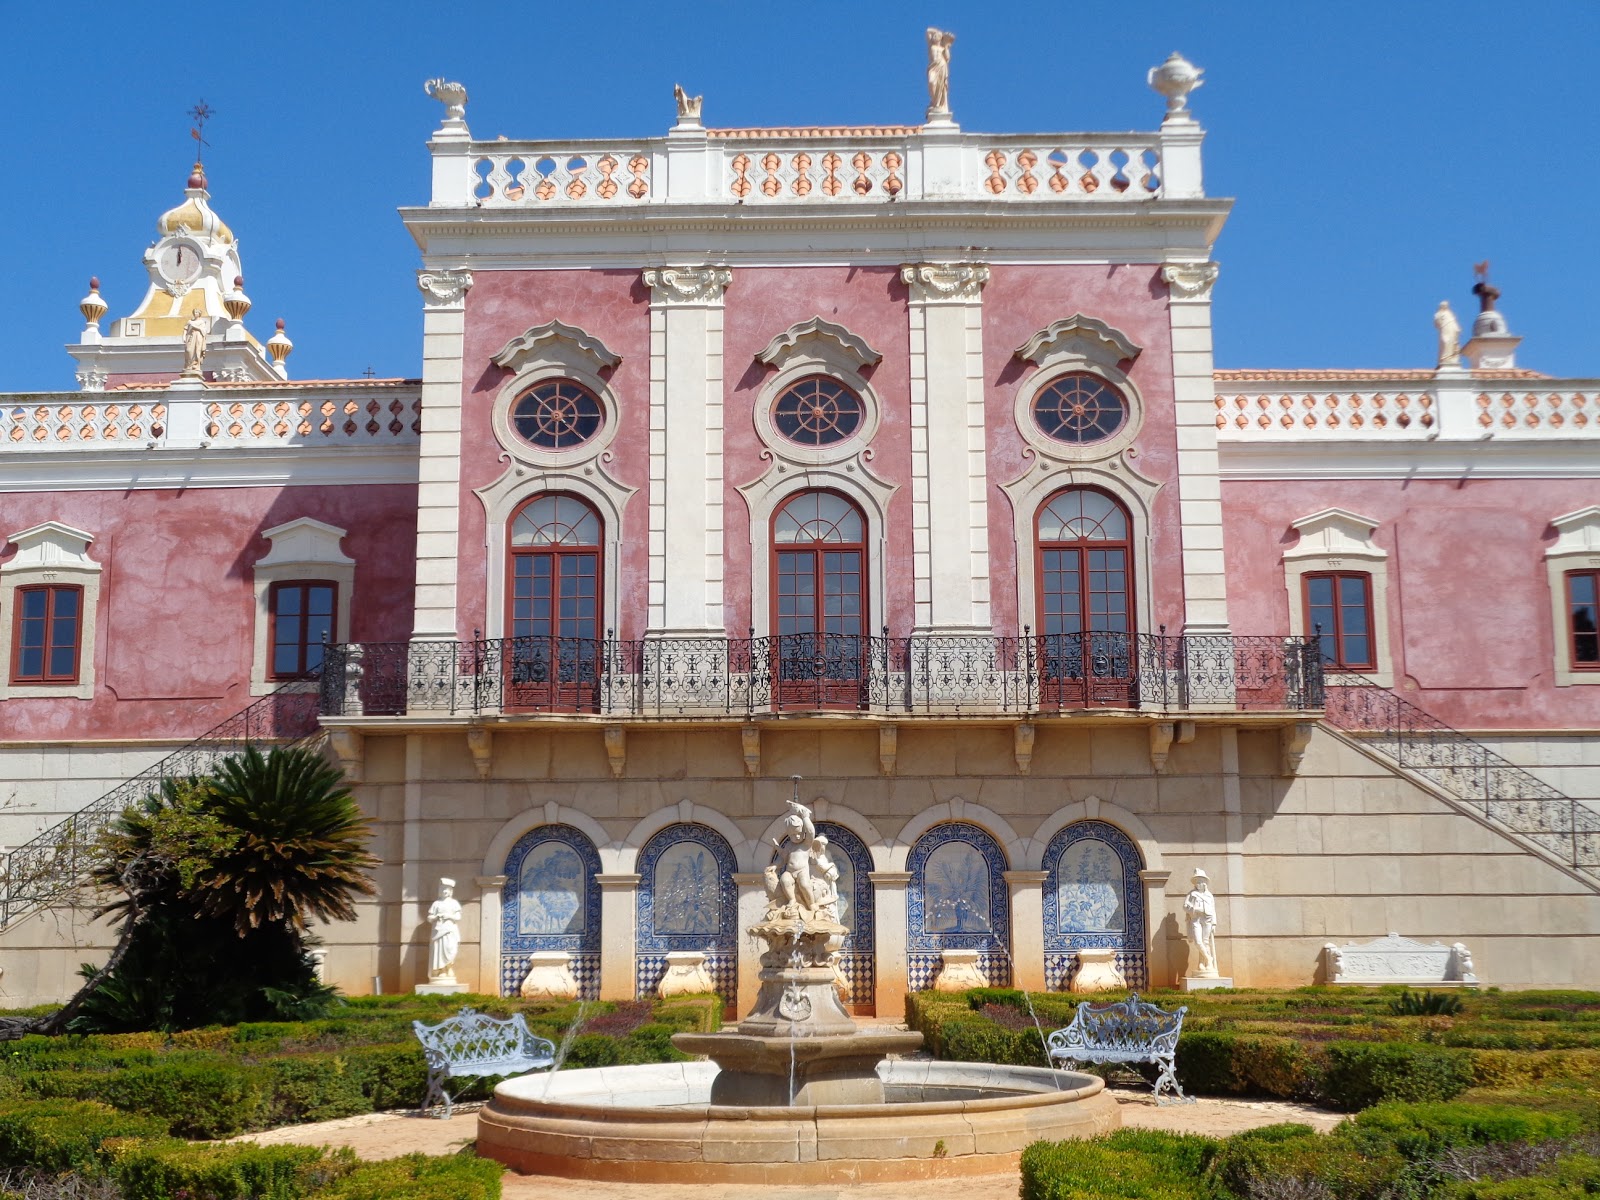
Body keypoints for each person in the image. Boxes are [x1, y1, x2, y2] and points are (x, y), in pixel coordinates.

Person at [1183, 868, 1218, 977]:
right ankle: (1209, 959)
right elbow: (1185, 906)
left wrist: (1214, 923)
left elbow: (1213, 909)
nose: (1197, 884)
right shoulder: (1192, 894)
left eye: (1199, 882)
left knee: (1205, 941)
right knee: (1198, 941)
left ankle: (1203, 964)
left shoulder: (1209, 895)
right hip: (1196, 919)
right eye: (1196, 882)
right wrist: (1194, 909)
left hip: (1207, 919)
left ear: (1204, 883)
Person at [428, 878, 463, 982]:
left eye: (446, 889)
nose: (444, 891)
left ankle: (449, 968)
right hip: (439, 931)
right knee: (439, 951)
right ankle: (442, 970)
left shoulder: (454, 903)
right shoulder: (436, 903)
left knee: (451, 949)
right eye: (442, 889)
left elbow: (458, 917)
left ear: (450, 891)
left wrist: (448, 916)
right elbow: (429, 918)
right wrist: (436, 917)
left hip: (450, 930)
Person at [182, 308, 212, 374]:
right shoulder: (189, 321)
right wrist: (183, 336)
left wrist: (195, 327)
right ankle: (189, 365)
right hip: (190, 337)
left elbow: (204, 331)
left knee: (197, 352)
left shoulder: (201, 322)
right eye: (194, 312)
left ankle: (195, 365)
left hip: (198, 337)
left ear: (199, 314)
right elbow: (185, 329)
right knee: (188, 351)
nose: (195, 313)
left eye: (197, 312)